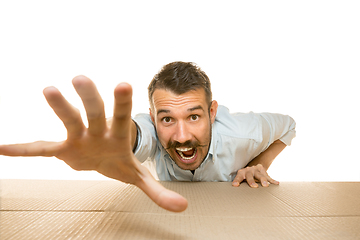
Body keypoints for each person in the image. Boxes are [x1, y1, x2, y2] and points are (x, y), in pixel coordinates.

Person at [0, 61, 296, 213]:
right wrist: (105, 138)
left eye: (194, 116)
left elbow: (288, 125)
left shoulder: (243, 132)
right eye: (167, 119)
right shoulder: (151, 133)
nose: (181, 137)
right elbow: (132, 134)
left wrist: (260, 163)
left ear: (212, 112)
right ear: (154, 118)